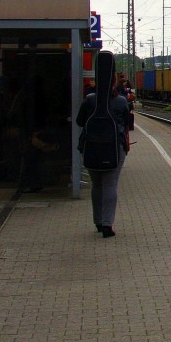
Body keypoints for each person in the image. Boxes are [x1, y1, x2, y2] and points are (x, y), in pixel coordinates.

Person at [76, 80, 133, 238]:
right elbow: (128, 123)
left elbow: (79, 121)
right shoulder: (121, 101)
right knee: (110, 184)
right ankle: (108, 224)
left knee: (97, 185)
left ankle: (98, 222)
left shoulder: (89, 99)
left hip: (91, 148)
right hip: (114, 149)